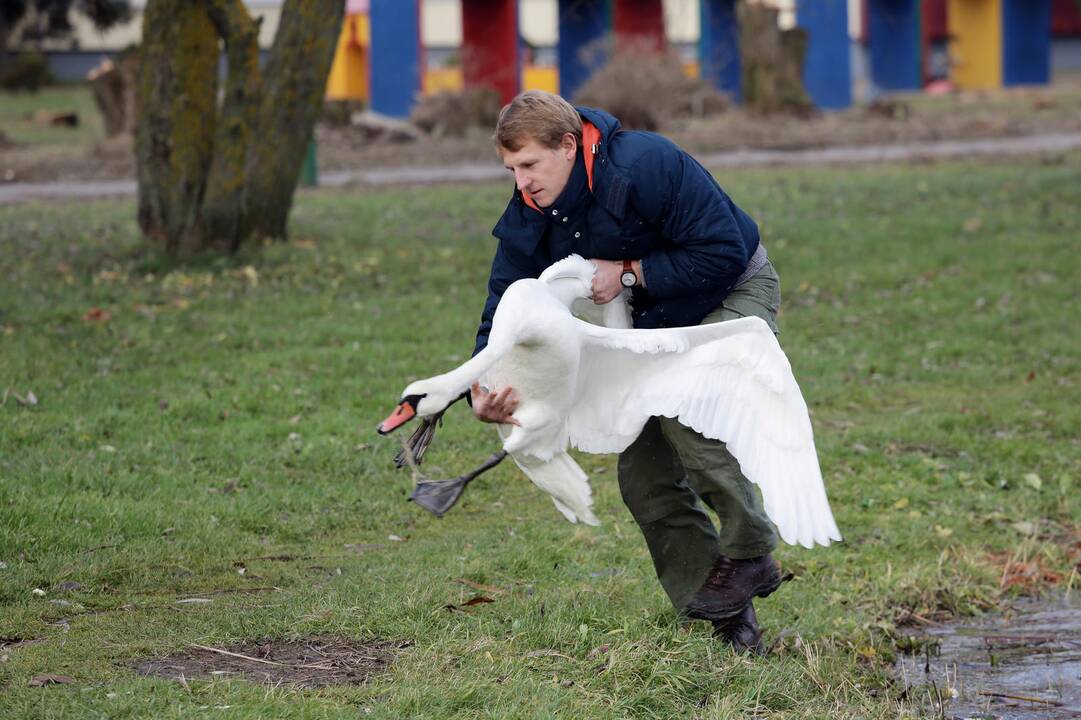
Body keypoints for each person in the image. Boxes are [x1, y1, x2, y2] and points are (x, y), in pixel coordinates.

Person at [470, 90, 785, 653]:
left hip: (732, 289)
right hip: (652, 323)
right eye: (511, 169)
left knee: (693, 411)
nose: (520, 182)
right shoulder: (533, 210)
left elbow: (724, 250)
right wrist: (486, 383)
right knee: (645, 479)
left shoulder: (644, 164)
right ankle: (727, 619)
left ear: (569, 145)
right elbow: (507, 303)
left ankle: (751, 551)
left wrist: (632, 272)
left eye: (529, 165)